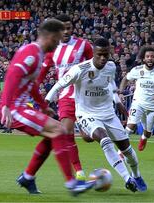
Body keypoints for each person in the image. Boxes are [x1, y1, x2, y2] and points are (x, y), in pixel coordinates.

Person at [0, 19, 93, 196]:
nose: (58, 44)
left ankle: (27, 177)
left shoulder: (38, 54)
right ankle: (72, 183)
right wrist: (4, 105)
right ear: (49, 36)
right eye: (57, 40)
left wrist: (43, 106)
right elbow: (12, 75)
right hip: (14, 109)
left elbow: (32, 84)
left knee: (53, 135)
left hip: (20, 107)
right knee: (58, 130)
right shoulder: (31, 53)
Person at [46, 38, 147, 192]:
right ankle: (128, 178)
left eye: (106, 55)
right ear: (93, 53)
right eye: (99, 55)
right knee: (104, 139)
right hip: (86, 113)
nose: (103, 58)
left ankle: (136, 175)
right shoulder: (80, 70)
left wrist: (118, 102)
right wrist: (46, 102)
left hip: (108, 113)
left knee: (127, 150)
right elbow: (58, 85)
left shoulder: (111, 67)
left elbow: (110, 84)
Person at [27, 14, 94, 182]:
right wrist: (32, 89)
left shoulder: (83, 45)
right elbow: (42, 73)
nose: (65, 31)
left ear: (72, 28)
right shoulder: (53, 50)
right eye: (62, 28)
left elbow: (96, 65)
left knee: (87, 137)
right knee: (66, 132)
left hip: (84, 94)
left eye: (68, 28)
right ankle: (78, 170)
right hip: (65, 95)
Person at [118, 45, 154, 151]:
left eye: (152, 56)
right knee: (130, 126)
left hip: (152, 105)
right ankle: (120, 151)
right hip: (138, 102)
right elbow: (125, 79)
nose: (150, 58)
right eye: (147, 56)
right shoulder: (137, 70)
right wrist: (120, 93)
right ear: (143, 58)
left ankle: (144, 138)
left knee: (148, 132)